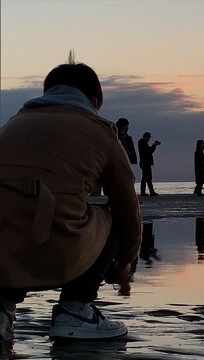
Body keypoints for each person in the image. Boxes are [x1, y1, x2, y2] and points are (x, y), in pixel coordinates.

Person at [0, 59, 141, 341]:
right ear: (94, 100)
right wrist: (124, 261)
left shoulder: (11, 125)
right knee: (108, 215)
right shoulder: (102, 131)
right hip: (51, 249)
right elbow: (129, 212)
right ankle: (75, 310)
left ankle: (2, 309)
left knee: (12, 211)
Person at [138, 132, 160, 196]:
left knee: (147, 178)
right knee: (146, 177)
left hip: (145, 162)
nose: (149, 139)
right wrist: (154, 145)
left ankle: (149, 191)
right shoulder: (142, 143)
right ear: (146, 137)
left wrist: (154, 146)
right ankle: (147, 192)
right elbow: (148, 151)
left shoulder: (142, 143)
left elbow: (148, 151)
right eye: (148, 138)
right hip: (145, 162)